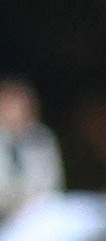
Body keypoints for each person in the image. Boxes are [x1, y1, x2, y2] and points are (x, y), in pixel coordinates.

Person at [0, 79, 64, 219]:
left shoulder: (41, 139)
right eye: (9, 106)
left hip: (33, 220)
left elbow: (51, 186)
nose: (16, 112)